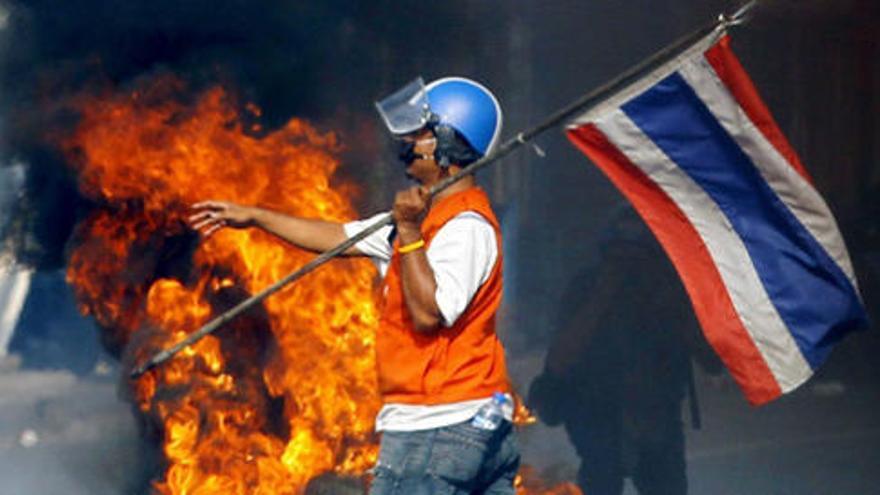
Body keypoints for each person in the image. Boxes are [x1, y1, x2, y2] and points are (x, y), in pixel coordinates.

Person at [190, 77, 519, 495]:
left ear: (449, 144)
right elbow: (335, 236)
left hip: (437, 428)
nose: (404, 143)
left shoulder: (463, 227)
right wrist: (255, 217)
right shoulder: (425, 219)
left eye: (418, 133)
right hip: (460, 426)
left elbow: (428, 313)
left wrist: (409, 231)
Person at [528, 206, 721, 495]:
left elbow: (712, 361)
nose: (631, 271)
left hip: (658, 422)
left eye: (639, 260)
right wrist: (601, 298)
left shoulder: (668, 290)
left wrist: (675, 309)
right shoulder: (588, 289)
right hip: (598, 420)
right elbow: (558, 361)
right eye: (621, 259)